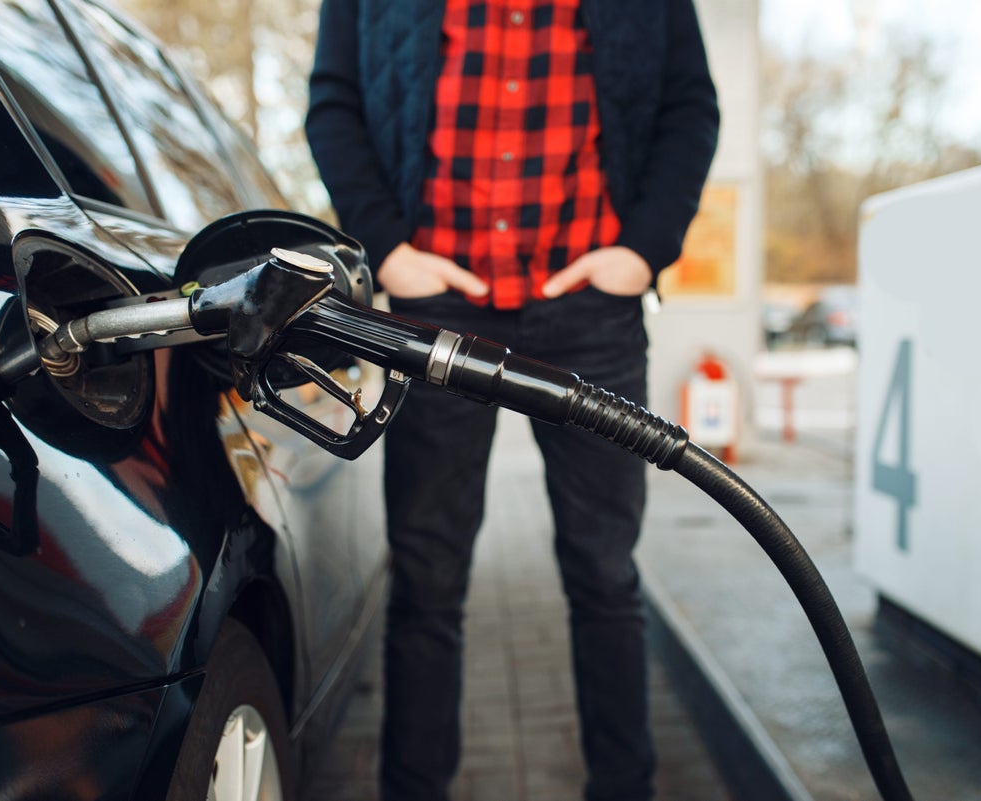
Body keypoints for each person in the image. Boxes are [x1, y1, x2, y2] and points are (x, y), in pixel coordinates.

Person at [306, 2, 719, 799]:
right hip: (438, 306)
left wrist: (643, 250)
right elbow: (335, 101)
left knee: (604, 574)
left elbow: (687, 105)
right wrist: (388, 249)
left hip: (589, 304)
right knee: (426, 578)